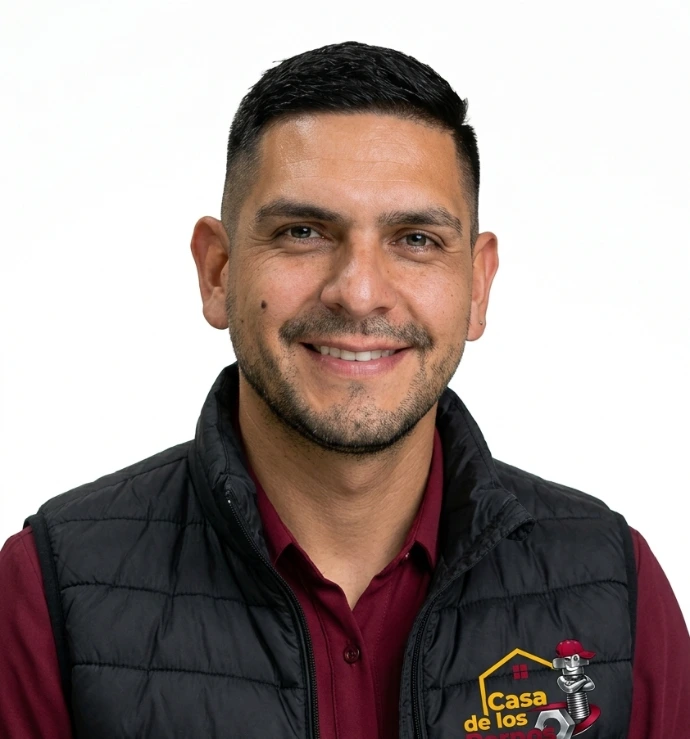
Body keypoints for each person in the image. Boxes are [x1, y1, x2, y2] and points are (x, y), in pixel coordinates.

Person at [1, 41, 688, 739]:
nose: (359, 293)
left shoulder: (617, 588)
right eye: (303, 232)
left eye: (416, 239)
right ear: (218, 271)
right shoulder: (48, 595)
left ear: (478, 286)